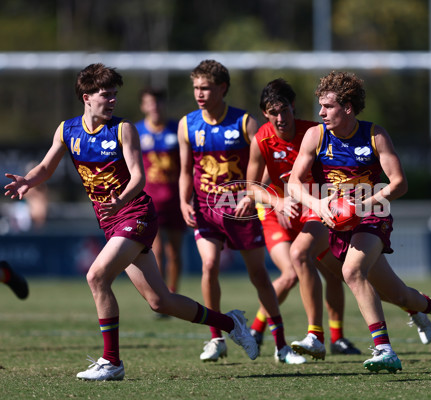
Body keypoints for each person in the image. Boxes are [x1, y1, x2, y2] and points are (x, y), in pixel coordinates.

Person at [3, 63, 258, 381]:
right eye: (105, 95)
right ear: (86, 97)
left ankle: (112, 362)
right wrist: (27, 180)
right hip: (112, 221)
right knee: (159, 301)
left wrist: (121, 200)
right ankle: (230, 323)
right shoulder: (67, 130)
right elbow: (46, 165)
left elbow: (138, 176)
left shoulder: (123, 129)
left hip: (136, 214)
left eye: (114, 95)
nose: (112, 101)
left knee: (96, 276)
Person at [288, 71, 431, 373]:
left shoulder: (375, 135)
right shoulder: (316, 136)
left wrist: (363, 203)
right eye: (320, 106)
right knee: (397, 295)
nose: (321, 113)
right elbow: (294, 184)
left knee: (351, 272)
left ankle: (384, 349)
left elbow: (399, 184)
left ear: (348, 108)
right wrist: (318, 204)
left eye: (328, 106)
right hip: (337, 221)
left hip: (373, 216)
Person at [178, 60, 304, 364]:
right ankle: (216, 338)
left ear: (222, 88)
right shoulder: (187, 124)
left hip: (241, 211)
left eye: (206, 87)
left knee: (259, 276)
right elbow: (185, 170)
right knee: (209, 266)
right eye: (196, 87)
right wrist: (184, 201)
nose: (200, 93)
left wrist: (252, 192)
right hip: (207, 210)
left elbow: (262, 165)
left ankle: (281, 345)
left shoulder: (245, 123)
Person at [246, 78, 361, 356]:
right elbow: (251, 187)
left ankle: (337, 338)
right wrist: (278, 203)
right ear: (265, 113)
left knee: (336, 274)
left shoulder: (313, 132)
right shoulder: (261, 138)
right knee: (289, 273)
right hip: (277, 214)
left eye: (285, 109)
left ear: (293, 106)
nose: (281, 117)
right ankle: (258, 328)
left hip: (313, 210)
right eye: (274, 112)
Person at [136, 88, 186, 297]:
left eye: (158, 103)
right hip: (150, 202)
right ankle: (160, 294)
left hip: (175, 200)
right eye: (150, 103)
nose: (154, 107)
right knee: (155, 251)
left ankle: (172, 293)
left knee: (173, 252)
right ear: (143, 106)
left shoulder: (177, 129)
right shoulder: (137, 131)